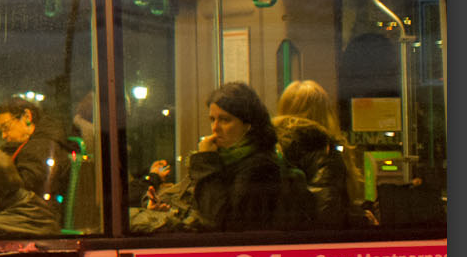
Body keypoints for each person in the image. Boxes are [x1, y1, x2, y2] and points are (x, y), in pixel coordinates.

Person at [149, 82, 288, 233]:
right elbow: (197, 207)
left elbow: (218, 220)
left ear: (248, 124)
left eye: (225, 120)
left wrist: (206, 160)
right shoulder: (222, 158)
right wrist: (166, 210)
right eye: (212, 119)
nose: (215, 127)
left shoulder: (261, 167)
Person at [275, 79, 367, 228]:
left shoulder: (274, 148)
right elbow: (327, 211)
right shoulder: (324, 150)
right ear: (326, 113)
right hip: (320, 244)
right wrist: (360, 220)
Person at [0, 97, 72, 204]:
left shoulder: (42, 147)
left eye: (6, 127)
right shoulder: (27, 146)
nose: (3, 135)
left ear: (27, 117)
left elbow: (26, 186)